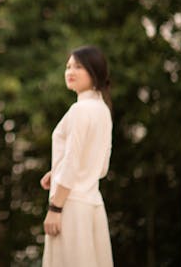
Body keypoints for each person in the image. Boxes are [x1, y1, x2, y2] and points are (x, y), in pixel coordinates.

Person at [40, 45, 114, 267]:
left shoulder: (80, 111)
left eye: (78, 67)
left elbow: (73, 163)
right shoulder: (102, 110)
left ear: (95, 72)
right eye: (68, 66)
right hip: (92, 205)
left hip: (70, 207)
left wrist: (55, 208)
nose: (70, 72)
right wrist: (57, 172)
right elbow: (100, 167)